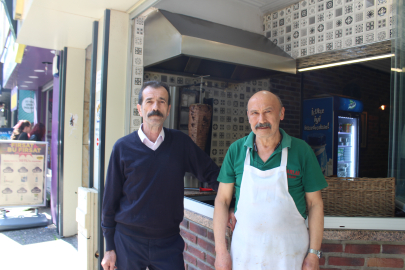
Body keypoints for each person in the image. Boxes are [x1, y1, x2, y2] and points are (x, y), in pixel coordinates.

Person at [101, 81, 220, 270]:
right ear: (140, 109)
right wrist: (109, 248)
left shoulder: (181, 143)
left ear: (169, 109)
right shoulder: (122, 148)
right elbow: (109, 200)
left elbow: (212, 173)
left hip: (168, 243)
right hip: (128, 241)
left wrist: (230, 202)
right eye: (149, 101)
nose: (155, 107)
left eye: (161, 101)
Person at [213, 91, 328, 270]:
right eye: (255, 113)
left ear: (281, 113)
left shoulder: (302, 151)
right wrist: (221, 253)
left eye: (268, 111)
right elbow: (222, 200)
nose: (261, 120)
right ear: (248, 117)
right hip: (244, 255)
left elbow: (315, 204)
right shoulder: (236, 150)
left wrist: (314, 253)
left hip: (290, 257)